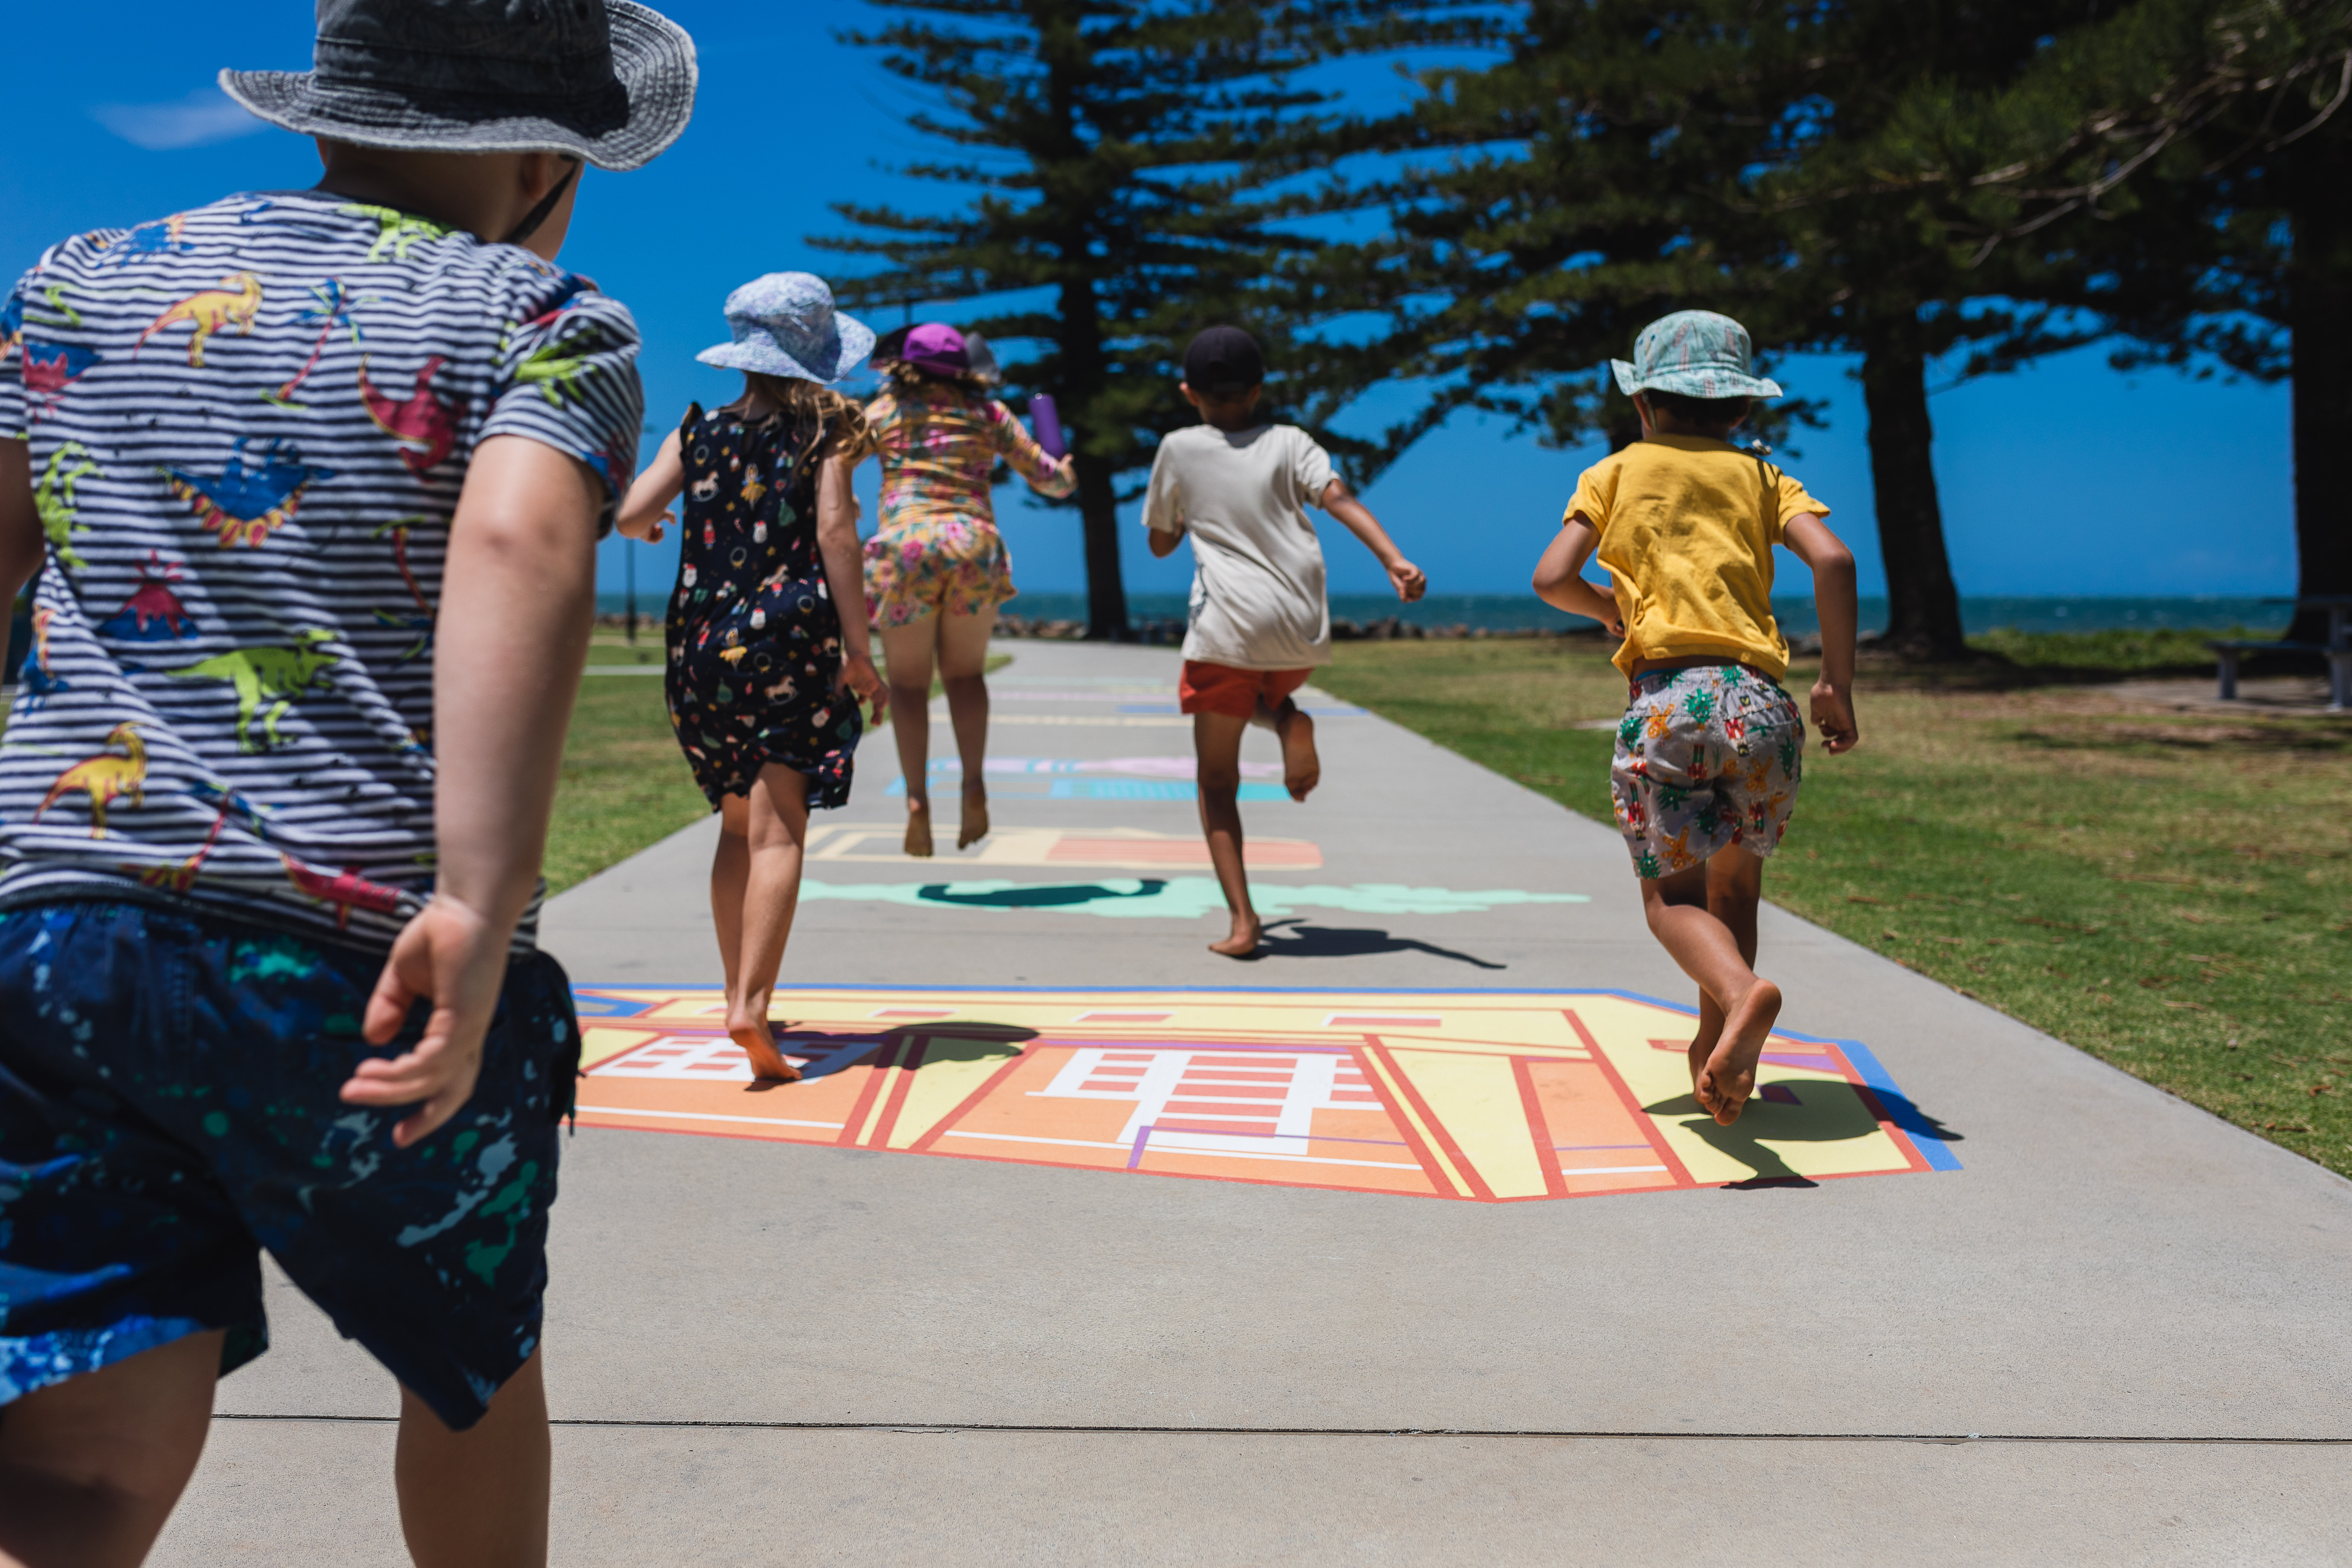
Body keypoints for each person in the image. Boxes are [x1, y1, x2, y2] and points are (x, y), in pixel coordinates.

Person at [0, 0, 694, 1562]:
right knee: (464, 1373)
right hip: (357, 954)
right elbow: (521, 543)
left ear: (325, 118)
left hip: (57, 938)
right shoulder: (546, 318)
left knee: (85, 1462)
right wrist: (474, 892)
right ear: (540, 163)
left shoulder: (79, 284)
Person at [1530, 309, 1860, 1127]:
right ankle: (1718, 1054)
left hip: (1669, 703)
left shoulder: (1613, 473)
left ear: (1641, 404)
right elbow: (1834, 559)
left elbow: (1550, 577)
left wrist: (1609, 607)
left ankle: (1743, 995)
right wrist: (1836, 684)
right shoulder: (1761, 476)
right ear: (1742, 408)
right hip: (1762, 705)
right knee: (1735, 891)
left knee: (1670, 902)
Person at [615, 274, 886, 1081]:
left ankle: (735, 985)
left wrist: (659, 522)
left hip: (699, 651)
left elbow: (632, 515)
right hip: (788, 645)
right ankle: (753, 1006)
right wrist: (859, 648)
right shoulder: (826, 431)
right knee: (781, 831)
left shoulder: (695, 430)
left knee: (738, 828)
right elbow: (836, 531)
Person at [1143, 326, 1427, 958]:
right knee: (1252, 694)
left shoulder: (1178, 448)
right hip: (1298, 626)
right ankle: (1285, 721)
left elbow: (1161, 542)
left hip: (1228, 624)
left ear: (1188, 392)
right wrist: (1394, 559)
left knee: (1216, 780)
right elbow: (1338, 497)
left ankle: (1244, 923)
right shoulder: (1290, 441)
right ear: (1258, 388)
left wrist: (1188, 513)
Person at [850, 322, 1075, 857]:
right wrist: (1064, 469)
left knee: (908, 685)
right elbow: (1051, 482)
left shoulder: (880, 413)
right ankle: (973, 784)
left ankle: (916, 798)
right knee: (965, 676)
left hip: (905, 549)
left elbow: (826, 467)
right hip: (972, 545)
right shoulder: (988, 414)